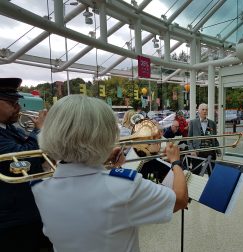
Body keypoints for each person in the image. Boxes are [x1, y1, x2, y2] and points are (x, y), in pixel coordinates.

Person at [31, 95, 188, 252]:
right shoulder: (125, 187)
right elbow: (180, 199)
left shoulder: (39, 188)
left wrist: (101, 161)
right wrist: (175, 161)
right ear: (104, 136)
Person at [0, 78, 52, 252]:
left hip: (27, 210)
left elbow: (38, 154)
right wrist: (40, 131)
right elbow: (26, 159)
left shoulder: (9, 128)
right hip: (11, 219)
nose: (18, 108)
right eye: (12, 103)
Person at [188, 103, 219, 176]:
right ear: (198, 111)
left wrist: (218, 150)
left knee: (212, 174)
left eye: (206, 110)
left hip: (210, 152)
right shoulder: (193, 122)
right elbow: (189, 139)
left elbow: (214, 138)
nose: (205, 111)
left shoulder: (212, 123)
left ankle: (211, 187)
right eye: (203, 109)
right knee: (196, 173)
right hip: (198, 152)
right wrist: (192, 150)